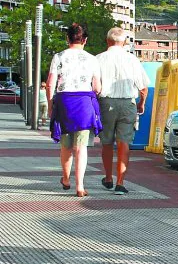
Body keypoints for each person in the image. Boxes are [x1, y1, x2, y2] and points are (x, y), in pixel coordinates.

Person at [47, 23, 102, 198]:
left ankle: (65, 178)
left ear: (67, 38)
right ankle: (80, 186)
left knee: (66, 145)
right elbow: (97, 87)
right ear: (85, 40)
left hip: (64, 102)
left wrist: (50, 106)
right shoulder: (92, 59)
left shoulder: (58, 57)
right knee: (81, 147)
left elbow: (50, 84)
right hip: (84, 103)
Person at [97, 27, 149, 195]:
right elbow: (143, 88)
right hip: (128, 104)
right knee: (123, 142)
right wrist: (141, 104)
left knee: (106, 141)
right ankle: (120, 182)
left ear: (108, 41)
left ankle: (108, 178)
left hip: (106, 103)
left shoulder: (98, 59)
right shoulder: (132, 60)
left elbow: (95, 86)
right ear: (124, 42)